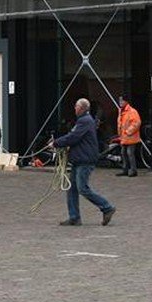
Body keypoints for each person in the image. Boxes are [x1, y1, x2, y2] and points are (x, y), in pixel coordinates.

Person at [51, 97, 116, 226]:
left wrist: (56, 143)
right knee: (72, 189)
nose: (74, 108)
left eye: (76, 106)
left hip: (84, 160)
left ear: (81, 108)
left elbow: (74, 137)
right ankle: (74, 217)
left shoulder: (84, 121)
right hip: (79, 159)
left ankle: (107, 207)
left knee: (82, 188)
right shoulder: (84, 121)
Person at [116, 94, 143, 178]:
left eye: (122, 100)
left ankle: (133, 170)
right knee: (123, 153)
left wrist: (128, 132)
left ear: (126, 101)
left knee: (129, 153)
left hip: (130, 137)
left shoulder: (132, 111)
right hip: (125, 137)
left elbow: (137, 122)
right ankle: (126, 170)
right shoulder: (121, 111)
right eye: (119, 100)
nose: (120, 102)